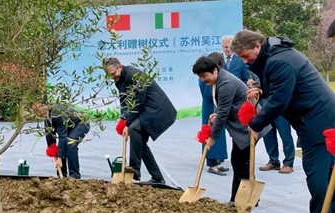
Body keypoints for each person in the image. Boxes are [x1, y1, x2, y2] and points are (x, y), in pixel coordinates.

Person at [232, 30, 335, 213]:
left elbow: (280, 100)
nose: (244, 61)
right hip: (320, 116)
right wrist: (261, 90)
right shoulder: (277, 55)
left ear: (257, 46)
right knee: (329, 170)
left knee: (316, 172)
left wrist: (256, 124)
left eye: (245, 55)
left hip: (318, 120)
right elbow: (282, 86)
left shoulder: (279, 61)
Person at [192, 56, 264, 205]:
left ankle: (239, 199)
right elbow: (222, 107)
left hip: (249, 126)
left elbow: (224, 112)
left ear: (214, 70)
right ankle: (247, 197)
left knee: (240, 161)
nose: (203, 80)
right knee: (240, 161)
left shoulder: (226, 83)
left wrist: (213, 137)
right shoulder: (217, 80)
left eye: (204, 76)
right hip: (241, 125)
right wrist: (216, 114)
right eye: (200, 77)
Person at [103, 57, 177, 185]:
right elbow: (124, 101)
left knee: (133, 128)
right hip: (146, 109)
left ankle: (134, 169)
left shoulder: (133, 75)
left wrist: (127, 124)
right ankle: (157, 178)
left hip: (156, 108)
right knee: (140, 144)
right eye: (110, 75)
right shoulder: (119, 80)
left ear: (119, 67)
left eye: (114, 73)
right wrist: (123, 118)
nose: (113, 76)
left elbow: (138, 102)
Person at [32, 103, 90, 179]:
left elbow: (62, 137)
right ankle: (62, 175)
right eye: (36, 112)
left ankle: (74, 176)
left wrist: (59, 158)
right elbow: (50, 135)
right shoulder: (47, 118)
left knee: (70, 144)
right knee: (61, 147)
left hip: (81, 124)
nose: (38, 114)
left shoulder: (58, 115)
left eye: (38, 111)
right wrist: (53, 151)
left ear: (43, 106)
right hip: (69, 126)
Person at [198, 52, 229, 176]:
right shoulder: (207, 78)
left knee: (219, 135)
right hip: (211, 107)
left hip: (215, 106)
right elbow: (208, 94)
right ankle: (212, 164)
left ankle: (217, 161)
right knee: (210, 132)